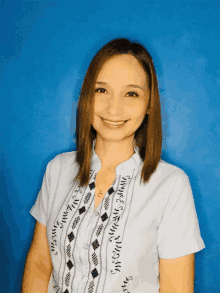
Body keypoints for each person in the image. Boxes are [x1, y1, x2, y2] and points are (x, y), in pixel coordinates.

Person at [22, 38, 205, 293]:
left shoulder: (171, 184)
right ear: (86, 96)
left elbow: (176, 288)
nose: (113, 108)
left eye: (131, 93)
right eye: (101, 90)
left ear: (149, 103)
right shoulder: (57, 169)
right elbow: (40, 264)